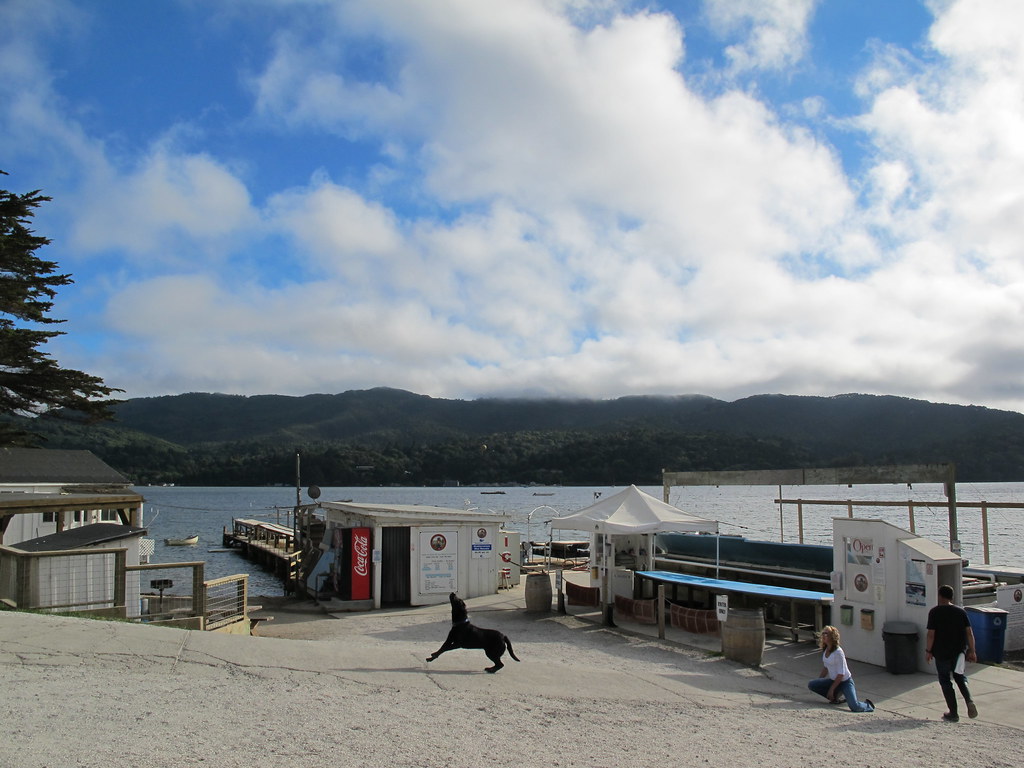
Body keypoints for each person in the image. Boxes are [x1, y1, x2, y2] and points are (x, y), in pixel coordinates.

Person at [926, 584, 978, 722]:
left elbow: (931, 634)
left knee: (945, 680)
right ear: (951, 597)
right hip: (959, 652)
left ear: (940, 596)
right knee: (960, 677)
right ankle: (969, 700)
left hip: (941, 652)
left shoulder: (934, 612)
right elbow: (969, 633)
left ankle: (953, 713)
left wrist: (928, 651)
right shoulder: (961, 612)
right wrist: (972, 651)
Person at [807, 625, 874, 712]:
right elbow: (826, 667)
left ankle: (868, 705)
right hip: (833, 681)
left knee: (854, 707)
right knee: (812, 684)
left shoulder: (838, 652)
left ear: (832, 636)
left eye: (826, 634)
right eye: (823, 633)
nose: (823, 635)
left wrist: (831, 689)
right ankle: (836, 697)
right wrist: (819, 680)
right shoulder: (826, 649)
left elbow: (841, 674)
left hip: (845, 682)